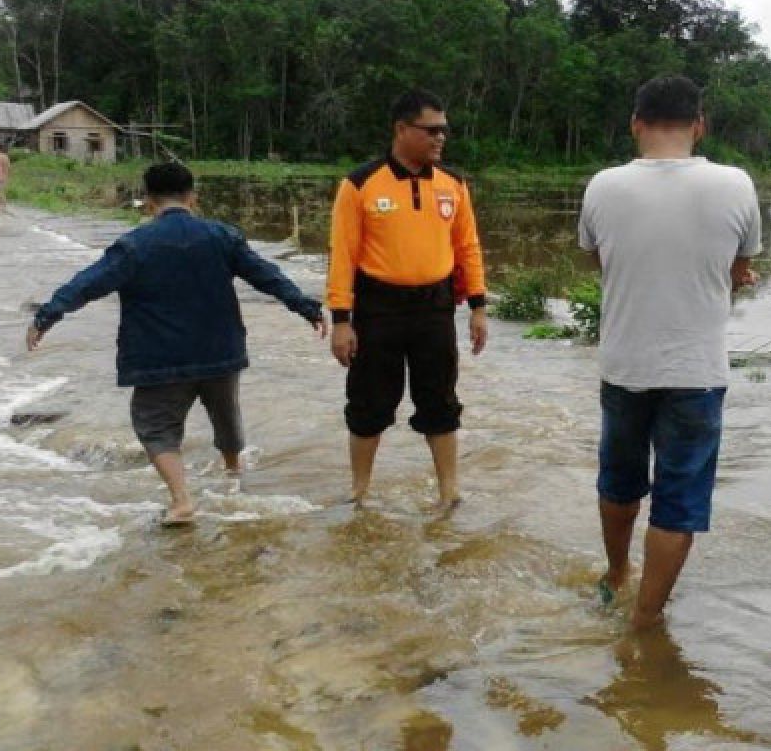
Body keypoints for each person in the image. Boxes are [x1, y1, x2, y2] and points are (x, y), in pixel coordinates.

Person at [27, 162, 327, 525]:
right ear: (192, 197)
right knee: (226, 415)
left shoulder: (134, 246)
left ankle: (182, 499)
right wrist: (306, 307)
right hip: (220, 350)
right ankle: (233, 476)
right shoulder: (222, 236)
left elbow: (88, 284)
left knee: (155, 427)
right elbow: (267, 276)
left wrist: (47, 315)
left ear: (149, 201)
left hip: (158, 357)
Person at [578, 75, 761, 630]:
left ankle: (615, 575)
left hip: (625, 363)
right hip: (696, 372)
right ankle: (645, 620)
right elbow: (738, 267)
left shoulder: (602, 187)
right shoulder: (736, 185)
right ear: (699, 125)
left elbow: (599, 262)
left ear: (636, 123)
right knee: (678, 501)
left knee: (619, 481)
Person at [327, 88, 488, 511]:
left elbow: (468, 247)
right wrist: (340, 320)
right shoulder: (360, 184)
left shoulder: (453, 184)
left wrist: (478, 306)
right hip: (377, 308)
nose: (440, 139)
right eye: (431, 130)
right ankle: (358, 491)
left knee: (440, 400)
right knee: (368, 402)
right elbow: (342, 255)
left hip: (434, 308)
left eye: (444, 131)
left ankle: (449, 491)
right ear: (401, 129)